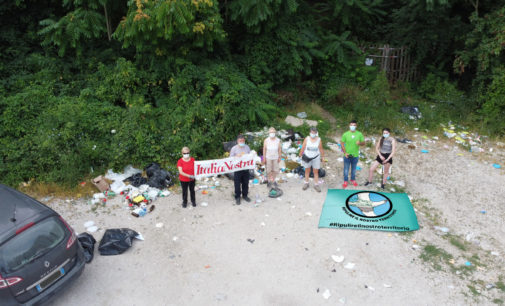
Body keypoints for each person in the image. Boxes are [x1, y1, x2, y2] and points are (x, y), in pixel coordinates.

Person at [299, 126, 325, 192]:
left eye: (314, 132)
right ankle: (306, 183)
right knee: (307, 171)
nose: (313, 133)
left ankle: (316, 185)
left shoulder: (319, 139)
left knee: (315, 172)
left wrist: (323, 157)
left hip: (316, 157)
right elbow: (303, 147)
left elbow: (321, 149)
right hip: (307, 157)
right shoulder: (307, 139)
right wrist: (300, 154)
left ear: (316, 133)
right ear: (310, 132)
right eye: (311, 132)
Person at [340, 120, 365, 188]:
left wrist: (359, 143)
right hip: (347, 155)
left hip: (355, 155)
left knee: (354, 169)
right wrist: (345, 153)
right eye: (351, 125)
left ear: (356, 126)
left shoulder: (359, 134)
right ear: (349, 125)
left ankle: (353, 179)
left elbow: (363, 143)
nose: (352, 126)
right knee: (346, 169)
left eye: (354, 125)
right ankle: (345, 181)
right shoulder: (345, 134)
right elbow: (342, 143)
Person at [230, 134, 252, 205]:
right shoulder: (234, 148)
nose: (242, 142)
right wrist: (236, 156)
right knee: (237, 183)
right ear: (237, 141)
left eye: (243, 140)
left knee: (246, 182)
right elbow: (230, 158)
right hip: (238, 169)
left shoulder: (247, 147)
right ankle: (237, 197)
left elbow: (250, 156)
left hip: (246, 168)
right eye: (240, 140)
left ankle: (245, 195)